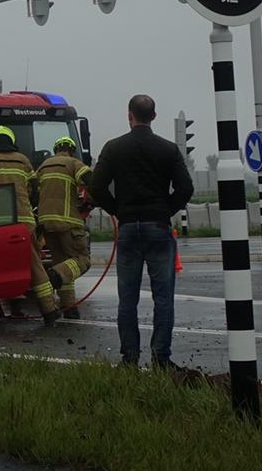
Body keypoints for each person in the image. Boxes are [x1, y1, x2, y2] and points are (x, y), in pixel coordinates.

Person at [86, 94, 195, 370]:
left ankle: (129, 359)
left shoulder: (114, 148)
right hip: (158, 228)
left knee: (128, 297)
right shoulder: (168, 150)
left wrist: (118, 211)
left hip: (128, 229)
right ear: (154, 117)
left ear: (129, 115)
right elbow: (186, 189)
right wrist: (164, 211)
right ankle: (161, 358)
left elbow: (96, 188)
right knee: (163, 297)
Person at [0, 125, 60, 326]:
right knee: (35, 266)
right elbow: (36, 189)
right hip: (25, 222)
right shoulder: (23, 160)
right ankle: (49, 311)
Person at [35, 136, 93, 319]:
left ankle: (69, 307)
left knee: (62, 261)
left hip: (45, 223)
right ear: (72, 150)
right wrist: (89, 203)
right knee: (81, 260)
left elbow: (33, 191)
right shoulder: (73, 163)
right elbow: (91, 180)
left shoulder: (42, 166)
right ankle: (54, 275)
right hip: (68, 222)